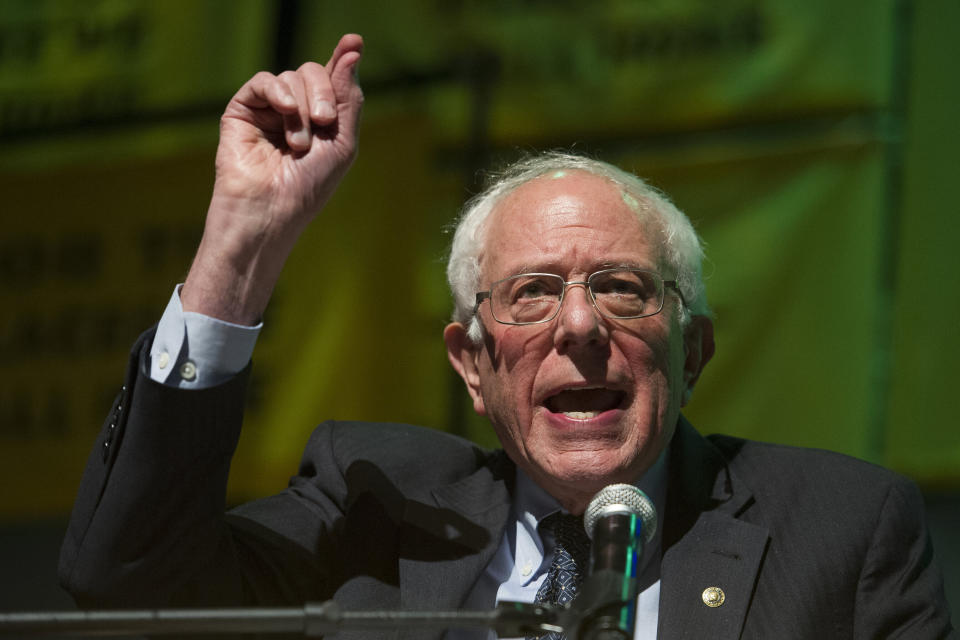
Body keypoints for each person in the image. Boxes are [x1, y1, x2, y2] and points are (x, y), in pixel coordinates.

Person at [59, 34, 955, 639]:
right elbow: (126, 586)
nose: (578, 325)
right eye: (530, 294)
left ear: (693, 351)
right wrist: (240, 243)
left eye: (621, 288)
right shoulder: (374, 509)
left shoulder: (841, 529)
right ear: (472, 363)